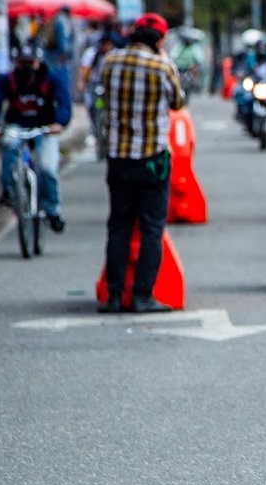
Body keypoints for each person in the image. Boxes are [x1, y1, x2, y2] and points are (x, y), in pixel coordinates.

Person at [96, 13, 184, 314]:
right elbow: (178, 103)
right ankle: (143, 296)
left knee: (118, 226)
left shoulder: (110, 62)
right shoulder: (163, 65)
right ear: (159, 40)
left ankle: (113, 296)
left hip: (118, 159)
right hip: (152, 161)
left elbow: (101, 95)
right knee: (151, 229)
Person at [0, 43, 72, 233]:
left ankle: (52, 210)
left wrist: (60, 123)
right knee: (8, 144)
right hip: (17, 125)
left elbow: (64, 102)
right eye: (23, 63)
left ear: (39, 62)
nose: (27, 67)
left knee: (47, 167)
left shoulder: (51, 79)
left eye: (30, 63)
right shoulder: (9, 80)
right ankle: (8, 190)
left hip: (45, 127)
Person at [77, 32, 116, 144]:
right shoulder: (91, 53)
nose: (106, 47)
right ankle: (93, 129)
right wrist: (81, 82)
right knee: (91, 105)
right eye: (104, 44)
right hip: (94, 84)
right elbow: (84, 68)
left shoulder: (115, 54)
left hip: (109, 85)